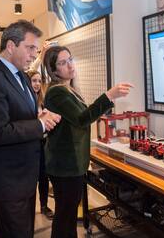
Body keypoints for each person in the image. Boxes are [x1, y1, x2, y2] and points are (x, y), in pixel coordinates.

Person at [0, 20, 61, 238]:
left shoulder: (21, 76)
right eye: (30, 48)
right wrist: (40, 124)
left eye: (36, 49)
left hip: (24, 177)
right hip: (7, 182)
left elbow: (19, 116)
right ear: (11, 46)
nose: (34, 54)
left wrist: (38, 117)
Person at [43, 45, 133, 238]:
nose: (69, 65)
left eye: (70, 59)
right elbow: (83, 118)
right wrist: (109, 96)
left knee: (67, 215)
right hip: (65, 166)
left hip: (71, 165)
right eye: (62, 62)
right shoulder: (56, 92)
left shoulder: (69, 89)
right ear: (54, 70)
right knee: (65, 216)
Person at [26, 70, 54, 220]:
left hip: (43, 143)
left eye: (38, 81)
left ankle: (44, 205)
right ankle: (29, 209)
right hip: (31, 145)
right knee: (31, 178)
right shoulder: (25, 101)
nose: (37, 84)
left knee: (44, 177)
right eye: (33, 81)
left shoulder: (43, 100)